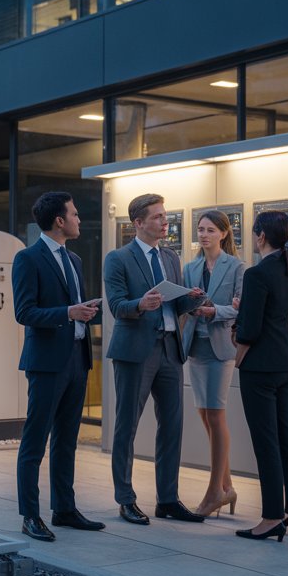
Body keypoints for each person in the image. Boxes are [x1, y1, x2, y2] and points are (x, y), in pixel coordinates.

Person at [104, 193, 206, 526]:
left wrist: (191, 300)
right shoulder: (118, 258)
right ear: (139, 223)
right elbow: (117, 306)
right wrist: (140, 304)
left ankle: (167, 499)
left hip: (169, 350)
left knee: (173, 426)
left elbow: (174, 305)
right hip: (135, 352)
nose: (166, 222)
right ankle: (126, 499)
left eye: (166, 216)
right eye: (159, 217)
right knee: (126, 427)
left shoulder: (171, 258)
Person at [11, 191, 105, 542]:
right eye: (75, 214)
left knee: (67, 441)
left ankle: (64, 509)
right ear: (59, 221)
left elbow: (74, 307)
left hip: (77, 360)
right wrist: (68, 312)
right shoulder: (28, 259)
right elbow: (24, 313)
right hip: (47, 363)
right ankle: (30, 515)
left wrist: (87, 310)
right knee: (35, 442)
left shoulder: (75, 260)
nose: (80, 220)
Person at [232, 210, 288, 542]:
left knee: (266, 443)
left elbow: (249, 330)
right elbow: (272, 314)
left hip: (260, 367)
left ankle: (272, 516)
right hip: (287, 362)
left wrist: (238, 355)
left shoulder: (256, 274)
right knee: (286, 437)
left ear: (260, 236)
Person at [181, 210, 245, 517]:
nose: (204, 235)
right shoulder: (190, 267)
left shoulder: (236, 267)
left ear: (223, 233)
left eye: (209, 230)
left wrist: (214, 311)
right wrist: (188, 304)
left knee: (217, 416)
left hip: (221, 350)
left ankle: (213, 492)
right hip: (196, 347)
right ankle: (227, 487)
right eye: (200, 230)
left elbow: (241, 308)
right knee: (205, 415)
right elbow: (183, 304)